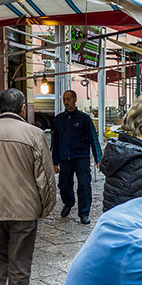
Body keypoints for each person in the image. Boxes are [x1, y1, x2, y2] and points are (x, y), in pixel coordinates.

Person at [0, 88, 56, 285]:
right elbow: (46, 179)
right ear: (22, 108)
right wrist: (45, 208)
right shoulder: (34, 134)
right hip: (24, 209)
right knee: (19, 262)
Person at [52, 90, 102, 224]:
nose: (66, 102)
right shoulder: (58, 120)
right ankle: (68, 203)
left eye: (68, 99)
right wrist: (54, 162)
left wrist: (98, 158)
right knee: (64, 185)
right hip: (64, 158)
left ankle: (84, 213)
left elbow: (93, 139)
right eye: (64, 99)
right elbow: (54, 142)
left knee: (84, 185)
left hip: (81, 157)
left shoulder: (84, 119)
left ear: (75, 99)